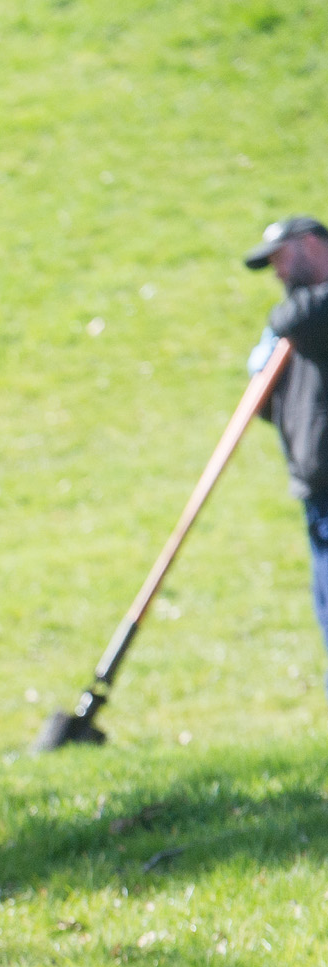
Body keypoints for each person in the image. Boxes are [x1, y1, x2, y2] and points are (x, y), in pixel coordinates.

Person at [244, 217, 328, 686]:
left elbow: (295, 318)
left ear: (312, 244)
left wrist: (284, 324)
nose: (277, 271)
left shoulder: (309, 314)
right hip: (316, 488)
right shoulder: (305, 320)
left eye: (281, 256)